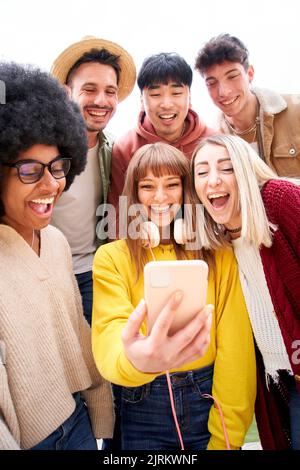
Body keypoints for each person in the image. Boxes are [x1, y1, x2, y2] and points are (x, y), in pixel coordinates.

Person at [92, 142, 256, 450]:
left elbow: (236, 353)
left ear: (187, 190)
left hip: (206, 400)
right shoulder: (111, 258)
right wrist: (139, 362)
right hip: (140, 403)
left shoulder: (220, 256)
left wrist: (227, 437)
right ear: (134, 194)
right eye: (147, 186)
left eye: (172, 185)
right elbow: (109, 339)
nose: (161, 197)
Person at [0, 62, 114, 450]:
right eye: (30, 170)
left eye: (58, 167)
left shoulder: (56, 242)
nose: (52, 184)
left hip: (78, 422)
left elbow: (77, 337)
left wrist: (101, 418)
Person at [192, 134, 300, 450]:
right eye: (201, 172)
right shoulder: (219, 244)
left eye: (226, 168)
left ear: (246, 170)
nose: (213, 180)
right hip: (282, 384)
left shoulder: (280, 201)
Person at [50, 36, 136, 324]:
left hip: (92, 272)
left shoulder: (116, 151)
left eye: (109, 91)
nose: (101, 100)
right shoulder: (40, 148)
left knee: (97, 359)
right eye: (89, 89)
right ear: (66, 92)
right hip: (44, 271)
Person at [108, 52, 215, 214]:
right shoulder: (125, 148)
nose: (166, 104)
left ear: (189, 96)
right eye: (155, 95)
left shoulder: (214, 143)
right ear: (142, 100)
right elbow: (117, 214)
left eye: (176, 93)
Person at [195, 33, 300, 179]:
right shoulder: (215, 139)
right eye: (212, 83)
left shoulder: (295, 111)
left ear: (249, 73)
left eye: (232, 76)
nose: (224, 92)